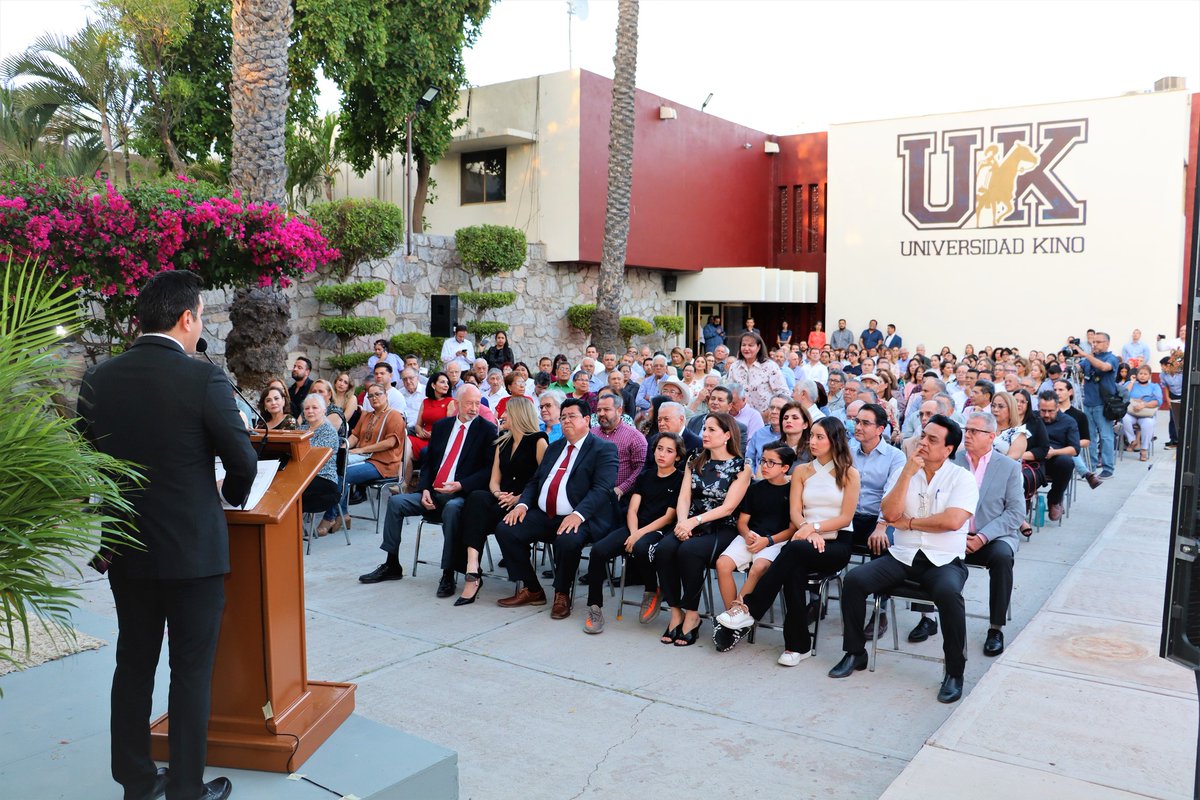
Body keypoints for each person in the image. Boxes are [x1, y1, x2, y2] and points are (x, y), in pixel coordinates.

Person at [77, 270, 255, 800]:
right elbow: (241, 459)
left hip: (127, 550)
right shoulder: (203, 378)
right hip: (193, 554)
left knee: (133, 664)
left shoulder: (97, 378)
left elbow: (85, 456)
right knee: (190, 673)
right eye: (201, 316)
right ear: (186, 318)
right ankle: (184, 789)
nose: (201, 326)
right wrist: (232, 495)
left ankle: (136, 782)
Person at [830, 414, 978, 705]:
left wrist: (909, 524)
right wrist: (907, 475)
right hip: (903, 556)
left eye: (932, 440)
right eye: (923, 436)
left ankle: (954, 672)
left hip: (943, 559)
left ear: (948, 449)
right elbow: (889, 513)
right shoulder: (907, 471)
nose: (922, 443)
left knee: (949, 594)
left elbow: (952, 520)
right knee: (855, 580)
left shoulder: (962, 478)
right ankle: (855, 652)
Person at [713, 419, 860, 663]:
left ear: (834, 440)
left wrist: (814, 528)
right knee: (793, 569)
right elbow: (795, 512)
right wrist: (807, 529)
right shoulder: (802, 471)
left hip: (836, 542)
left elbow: (845, 518)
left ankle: (749, 609)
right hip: (804, 539)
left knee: (793, 552)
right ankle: (797, 646)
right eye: (811, 436)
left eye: (819, 437)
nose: (812, 441)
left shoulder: (849, 473)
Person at [907, 411, 1024, 656]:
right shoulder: (950, 459)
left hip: (990, 537)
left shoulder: (1009, 467)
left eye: (973, 431)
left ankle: (995, 626)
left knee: (1003, 556)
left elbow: (1015, 513)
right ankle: (927, 617)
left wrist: (983, 537)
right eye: (966, 429)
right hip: (950, 534)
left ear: (991, 436)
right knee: (922, 547)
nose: (966, 435)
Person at [362, 385, 497, 593]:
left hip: (460, 495)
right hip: (432, 493)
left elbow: (488, 470)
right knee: (396, 503)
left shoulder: (486, 430)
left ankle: (448, 573)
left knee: (452, 510)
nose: (474, 408)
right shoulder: (443, 426)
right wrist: (424, 488)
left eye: (478, 403)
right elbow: (428, 463)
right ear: (457, 404)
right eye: (469, 403)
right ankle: (392, 564)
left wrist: (461, 485)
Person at [494, 398, 619, 620]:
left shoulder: (603, 449)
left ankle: (562, 593)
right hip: (544, 514)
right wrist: (522, 505)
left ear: (587, 420)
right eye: (563, 417)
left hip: (581, 516)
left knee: (567, 539)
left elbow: (602, 489)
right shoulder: (555, 448)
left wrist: (578, 514)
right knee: (506, 529)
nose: (566, 421)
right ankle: (533, 589)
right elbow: (535, 481)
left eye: (572, 416)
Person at [656, 413, 752, 647]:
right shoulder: (694, 459)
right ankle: (675, 611)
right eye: (704, 429)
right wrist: (681, 522)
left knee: (689, 552)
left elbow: (728, 508)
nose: (704, 434)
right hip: (688, 524)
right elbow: (684, 496)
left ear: (727, 435)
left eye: (711, 430)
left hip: (721, 527)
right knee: (664, 549)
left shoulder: (741, 467)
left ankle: (692, 614)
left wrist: (693, 522)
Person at [582, 432, 685, 633]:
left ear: (678, 457)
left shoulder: (680, 479)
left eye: (669, 451)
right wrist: (634, 531)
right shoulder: (646, 475)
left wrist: (638, 535)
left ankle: (651, 590)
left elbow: (668, 517)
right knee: (598, 551)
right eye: (659, 449)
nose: (662, 454)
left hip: (659, 530)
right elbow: (632, 509)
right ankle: (594, 608)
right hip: (634, 526)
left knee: (640, 547)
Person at [711, 441, 800, 641]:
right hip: (750, 536)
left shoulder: (793, 491)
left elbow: (792, 529)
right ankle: (732, 617)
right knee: (722, 563)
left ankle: (737, 614)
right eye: (763, 461)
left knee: (758, 568)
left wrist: (767, 541)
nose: (764, 466)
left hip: (776, 541)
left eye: (771, 463)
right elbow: (742, 522)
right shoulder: (755, 488)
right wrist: (746, 534)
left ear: (785, 468)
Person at [848, 402, 906, 638]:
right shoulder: (848, 450)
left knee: (883, 545)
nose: (858, 427)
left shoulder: (895, 456)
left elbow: (892, 493)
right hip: (849, 516)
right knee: (821, 542)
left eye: (865, 423)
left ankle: (879, 610)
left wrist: (882, 525)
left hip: (878, 517)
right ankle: (814, 598)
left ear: (880, 429)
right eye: (857, 422)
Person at [329, 385, 407, 529]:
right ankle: (342, 514)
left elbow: (391, 442)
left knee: (343, 473)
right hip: (364, 459)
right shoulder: (366, 416)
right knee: (335, 467)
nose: (374, 398)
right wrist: (343, 450)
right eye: (370, 396)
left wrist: (362, 449)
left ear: (386, 395)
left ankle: (331, 517)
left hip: (383, 463)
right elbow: (354, 436)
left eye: (378, 394)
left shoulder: (394, 415)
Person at [1072, 332, 1119, 478]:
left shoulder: (1111, 358)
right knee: (1089, 437)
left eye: (1098, 342)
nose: (1095, 344)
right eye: (1094, 342)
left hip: (1103, 404)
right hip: (1088, 403)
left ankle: (1108, 468)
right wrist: (1072, 361)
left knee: (1106, 437)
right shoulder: (1090, 358)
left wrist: (1085, 355)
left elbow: (1104, 368)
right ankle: (1090, 468)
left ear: (1107, 343)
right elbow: (1078, 368)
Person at [591, 393, 648, 505]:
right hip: (591, 495)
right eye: (599, 410)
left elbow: (641, 468)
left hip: (620, 499)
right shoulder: (591, 434)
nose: (601, 413)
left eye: (607, 409)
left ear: (619, 411)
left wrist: (622, 489)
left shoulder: (635, 437)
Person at [299, 394, 342, 525]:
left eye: (314, 407)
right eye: (306, 408)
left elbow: (312, 457)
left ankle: (294, 529)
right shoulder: (301, 429)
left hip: (324, 479)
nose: (310, 411)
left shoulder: (328, 430)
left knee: (291, 491)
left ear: (323, 411)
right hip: (303, 476)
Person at [1054, 380, 1101, 489]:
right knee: (1070, 450)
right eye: (1055, 390)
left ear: (1070, 392)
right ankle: (1087, 474)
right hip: (1050, 449)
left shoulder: (1079, 415)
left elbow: (1086, 441)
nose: (1057, 393)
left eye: (1061, 390)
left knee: (1070, 450)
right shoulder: (1048, 412)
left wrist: (1071, 443)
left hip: (1067, 454)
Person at [409, 371, 457, 461]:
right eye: (442, 382)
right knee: (405, 442)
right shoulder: (425, 402)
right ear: (433, 385)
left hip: (439, 440)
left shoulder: (450, 401)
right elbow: (418, 425)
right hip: (423, 438)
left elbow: (450, 426)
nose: (446, 385)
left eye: (447, 383)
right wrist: (420, 432)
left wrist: (433, 434)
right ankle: (403, 474)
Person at [1121, 364, 1160, 462]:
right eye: (1140, 373)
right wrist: (1132, 382)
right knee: (1124, 417)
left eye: (1145, 374)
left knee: (1148, 423)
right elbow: (1123, 394)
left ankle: (1144, 450)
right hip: (1132, 413)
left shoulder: (1154, 386)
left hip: (1146, 413)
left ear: (1149, 375)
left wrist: (1144, 405)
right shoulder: (1131, 383)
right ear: (1137, 374)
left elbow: (1158, 401)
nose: (1142, 376)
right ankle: (1132, 440)